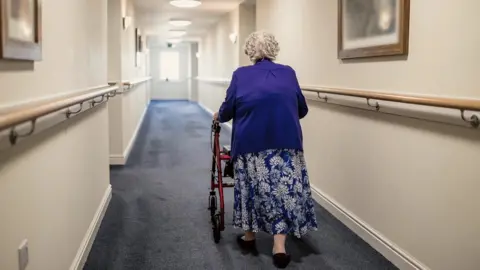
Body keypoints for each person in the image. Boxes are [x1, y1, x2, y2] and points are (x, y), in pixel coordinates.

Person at [213, 31, 318, 269]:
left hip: (251, 143)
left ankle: (249, 237)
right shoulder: (288, 73)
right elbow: (302, 108)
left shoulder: (240, 75)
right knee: (283, 191)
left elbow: (228, 109)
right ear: (274, 49)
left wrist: (220, 115)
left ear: (250, 51)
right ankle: (279, 246)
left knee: (251, 186)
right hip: (287, 142)